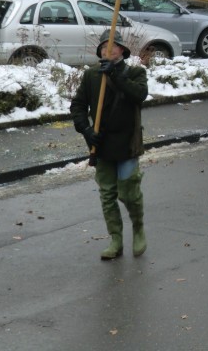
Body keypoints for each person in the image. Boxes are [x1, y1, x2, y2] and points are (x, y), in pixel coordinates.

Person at [70, 31, 149, 260]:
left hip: (127, 144)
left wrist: (115, 74)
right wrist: (86, 130)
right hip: (102, 145)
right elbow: (78, 106)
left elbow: (139, 95)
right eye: (104, 46)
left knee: (129, 193)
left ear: (122, 50)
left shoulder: (134, 73)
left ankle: (138, 228)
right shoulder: (91, 75)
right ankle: (115, 240)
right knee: (107, 195)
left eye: (113, 45)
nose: (108, 49)